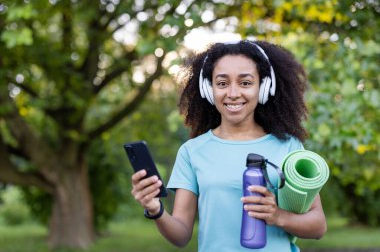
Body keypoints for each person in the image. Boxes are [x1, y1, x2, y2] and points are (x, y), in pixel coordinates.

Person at [131, 40, 327, 252]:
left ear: (263, 87)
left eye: (245, 83)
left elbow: (318, 226)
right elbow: (180, 236)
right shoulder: (192, 152)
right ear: (208, 89)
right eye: (222, 83)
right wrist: (155, 209)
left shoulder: (288, 147)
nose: (233, 93)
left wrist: (278, 216)